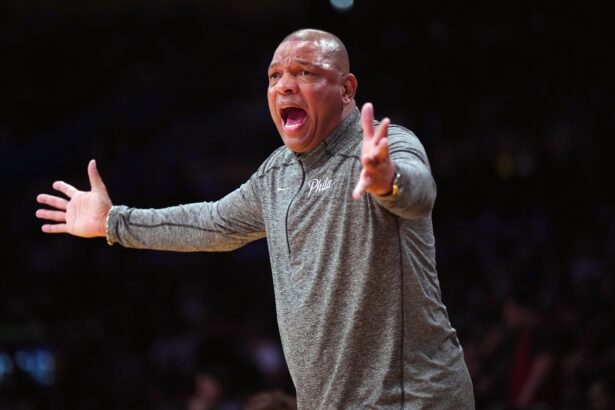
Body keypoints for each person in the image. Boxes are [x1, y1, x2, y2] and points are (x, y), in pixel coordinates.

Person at [36, 28, 475, 408]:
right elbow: (212, 222)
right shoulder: (276, 173)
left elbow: (419, 194)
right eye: (274, 76)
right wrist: (113, 221)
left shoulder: (384, 144)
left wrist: (387, 180)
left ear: (346, 89)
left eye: (304, 73)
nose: (284, 86)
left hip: (411, 400)